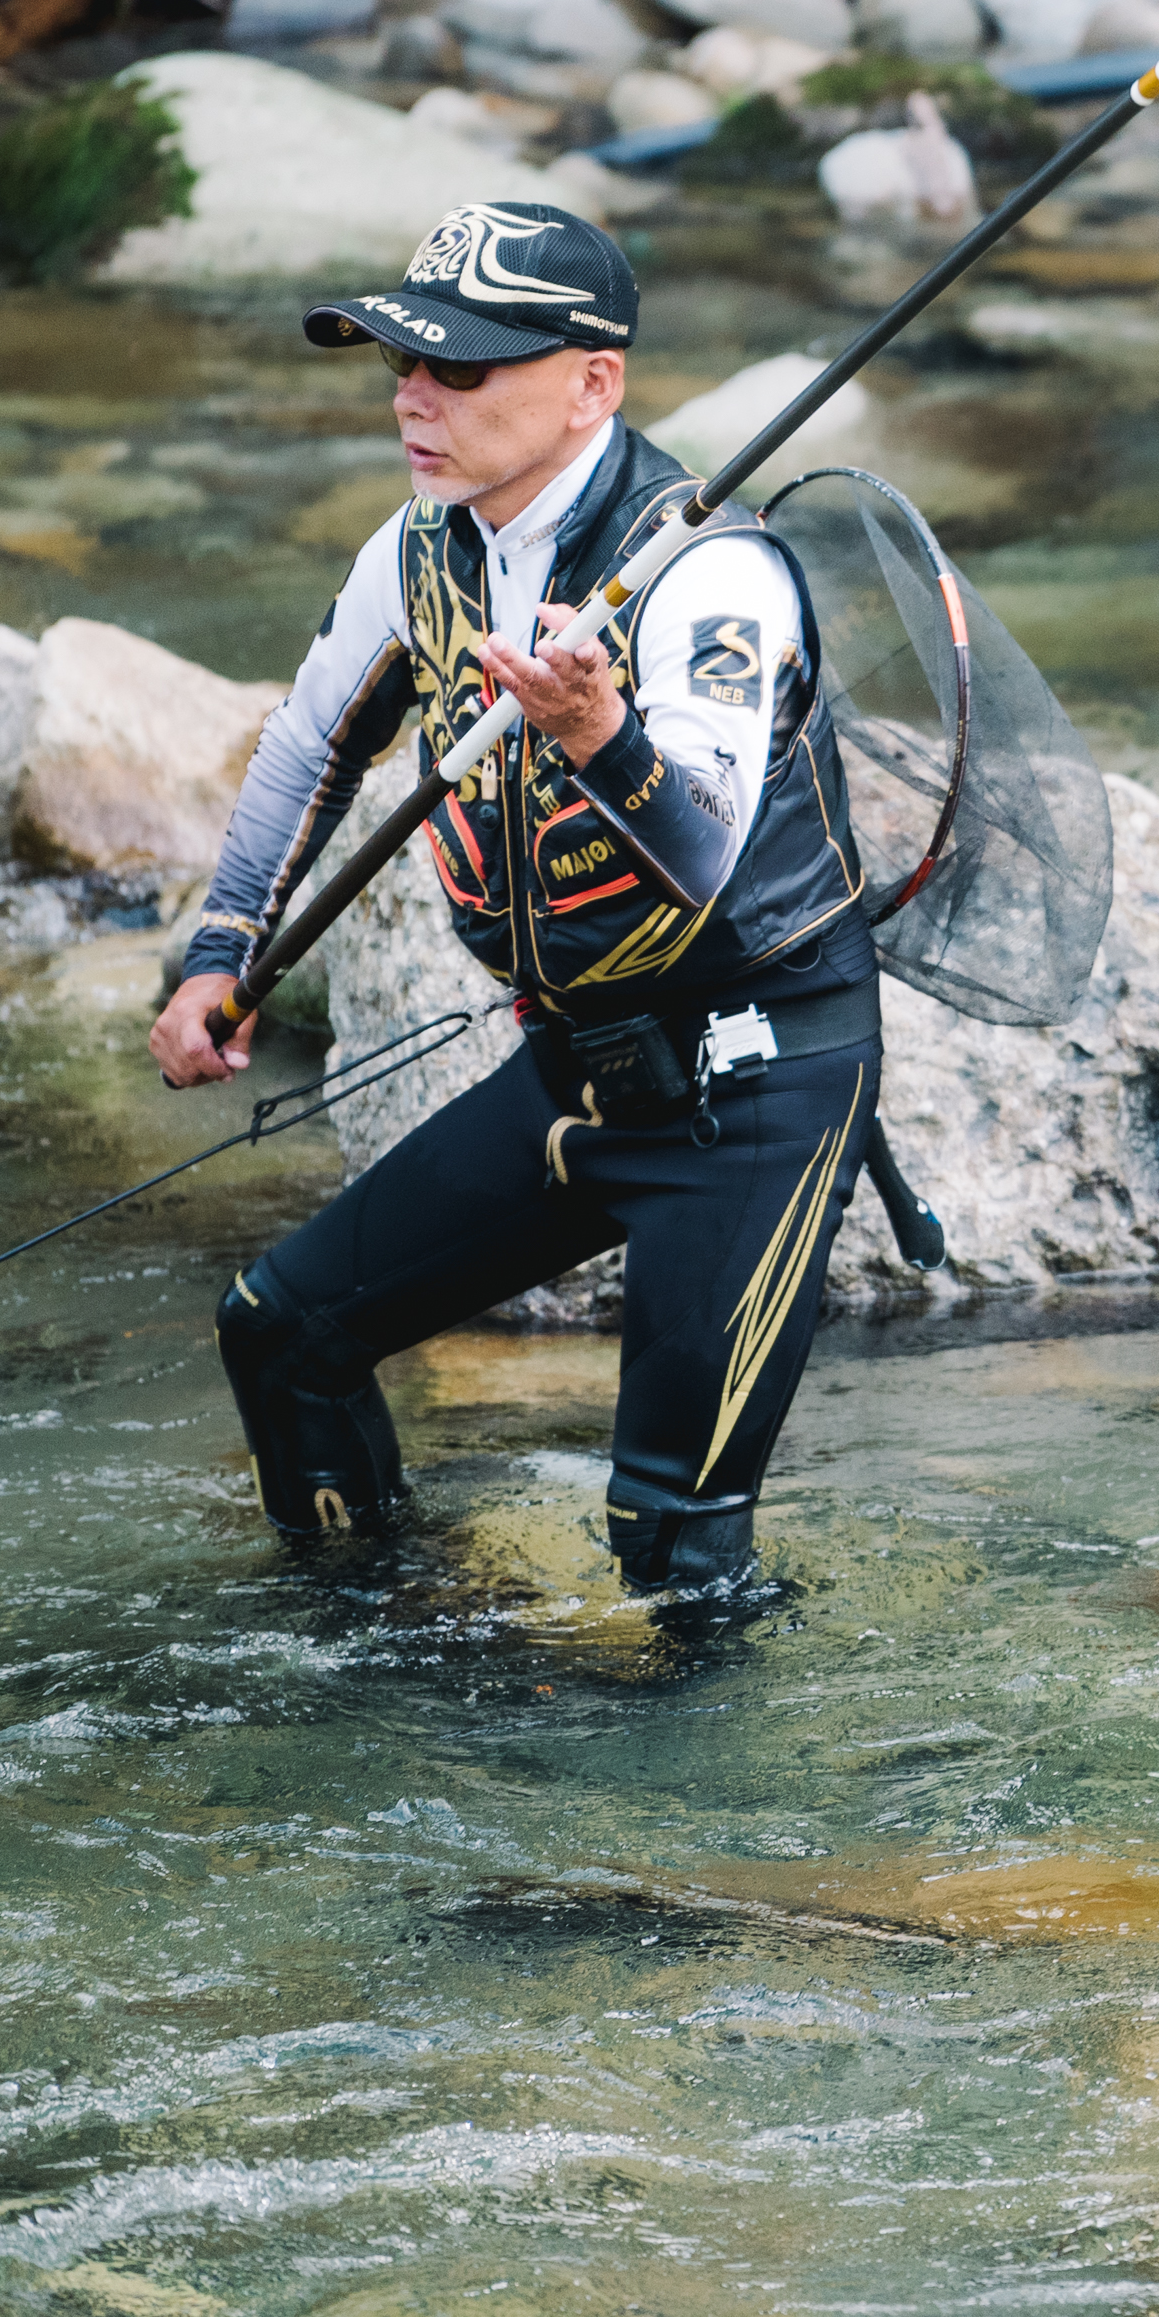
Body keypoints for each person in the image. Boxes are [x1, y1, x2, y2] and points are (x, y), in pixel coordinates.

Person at [151, 198, 883, 1595]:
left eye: (459, 370)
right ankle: (386, 1669)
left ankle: (696, 1804)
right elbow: (309, 743)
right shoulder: (419, 549)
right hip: (580, 1073)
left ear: (590, 382)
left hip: (758, 1090)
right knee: (281, 1331)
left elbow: (707, 850)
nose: (413, 400)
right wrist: (221, 951)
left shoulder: (709, 575)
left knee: (671, 1547)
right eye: (398, 365)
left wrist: (603, 737)